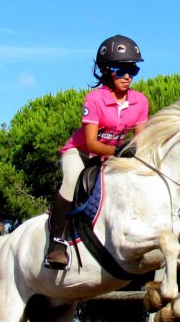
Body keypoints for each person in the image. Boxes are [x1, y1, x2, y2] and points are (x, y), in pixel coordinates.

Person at [43, 34, 150, 269]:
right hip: (81, 152)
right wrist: (119, 150)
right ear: (106, 70)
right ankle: (56, 241)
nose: (127, 76)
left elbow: (140, 141)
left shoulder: (140, 101)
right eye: (121, 70)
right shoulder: (94, 99)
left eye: (132, 70)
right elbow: (91, 143)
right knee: (72, 180)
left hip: (111, 156)